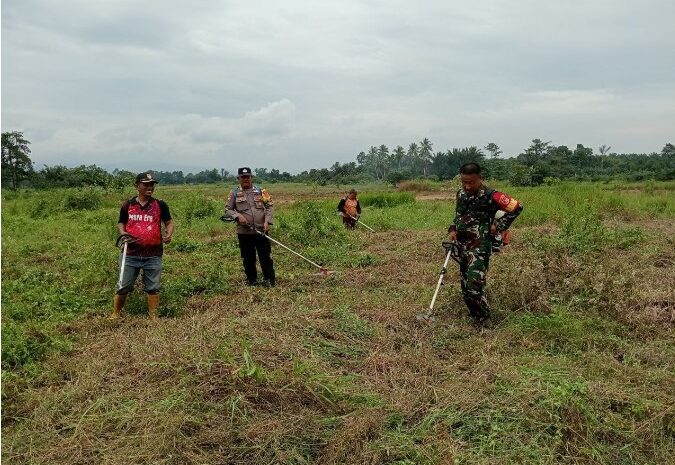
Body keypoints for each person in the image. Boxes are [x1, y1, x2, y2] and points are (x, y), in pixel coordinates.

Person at [448, 162, 523, 328]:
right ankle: (475, 315)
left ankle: (485, 320)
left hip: (480, 246)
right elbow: (459, 215)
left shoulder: (492, 195)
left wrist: (500, 225)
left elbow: (517, 207)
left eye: (471, 182)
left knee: (474, 283)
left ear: (480, 178)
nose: (467, 186)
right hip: (462, 244)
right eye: (464, 182)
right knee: (465, 283)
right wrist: (453, 228)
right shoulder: (460, 194)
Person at [111, 171, 173, 320]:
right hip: (130, 253)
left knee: (153, 287)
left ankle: (153, 317)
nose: (150, 187)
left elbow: (169, 222)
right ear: (137, 186)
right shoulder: (128, 205)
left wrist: (169, 233)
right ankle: (115, 314)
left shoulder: (160, 204)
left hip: (153, 254)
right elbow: (121, 222)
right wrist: (122, 233)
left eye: (152, 184)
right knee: (123, 285)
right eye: (146, 184)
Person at [225, 167, 276, 286]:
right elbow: (228, 209)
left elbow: (269, 206)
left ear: (251, 177)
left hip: (261, 231)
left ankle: (269, 279)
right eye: (243, 177)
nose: (245, 179)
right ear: (238, 179)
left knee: (265, 257)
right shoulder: (234, 193)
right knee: (248, 258)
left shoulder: (261, 190)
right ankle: (252, 280)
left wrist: (267, 221)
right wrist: (237, 216)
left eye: (247, 177)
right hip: (244, 232)